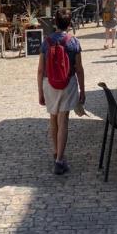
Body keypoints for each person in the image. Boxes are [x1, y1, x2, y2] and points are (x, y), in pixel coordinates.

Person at [37, 9, 85, 175]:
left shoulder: (46, 42)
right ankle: (59, 160)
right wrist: (82, 90)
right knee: (63, 120)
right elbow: (79, 69)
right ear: (69, 24)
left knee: (53, 117)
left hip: (49, 83)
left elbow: (40, 70)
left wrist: (40, 92)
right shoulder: (73, 42)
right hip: (68, 82)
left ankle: (56, 152)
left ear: (55, 23)